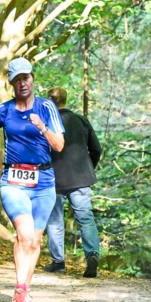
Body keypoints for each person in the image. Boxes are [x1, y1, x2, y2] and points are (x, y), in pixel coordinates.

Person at [0, 57, 65, 302]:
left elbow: (59, 145)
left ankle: (24, 289)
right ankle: (20, 291)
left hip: (43, 182)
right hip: (14, 181)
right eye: (17, 80)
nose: (22, 83)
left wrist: (42, 128)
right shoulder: (3, 110)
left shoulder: (47, 108)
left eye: (26, 78)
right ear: (11, 83)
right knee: (25, 235)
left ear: (32, 78)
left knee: (35, 240)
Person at [43, 87, 102, 277]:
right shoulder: (80, 120)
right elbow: (97, 148)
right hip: (80, 177)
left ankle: (58, 262)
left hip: (54, 178)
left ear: (50, 101)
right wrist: (88, 167)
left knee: (54, 220)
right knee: (85, 218)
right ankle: (92, 254)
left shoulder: (45, 123)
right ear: (65, 100)